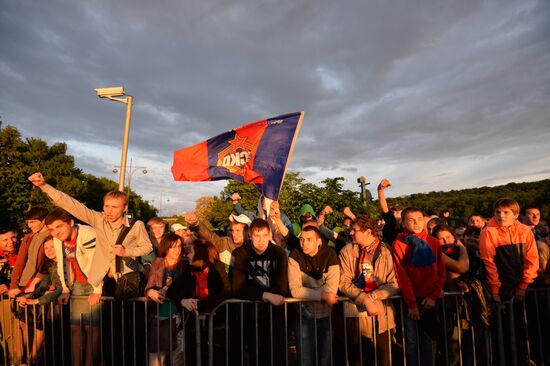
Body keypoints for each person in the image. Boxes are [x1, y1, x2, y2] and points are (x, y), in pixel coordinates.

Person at [479, 198, 539, 366]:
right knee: (502, 333)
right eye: (498, 212)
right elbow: (488, 263)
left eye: (506, 212)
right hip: (501, 289)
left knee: (527, 329)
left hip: (524, 287)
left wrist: (523, 285)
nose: (501, 216)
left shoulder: (525, 230)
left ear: (516, 214)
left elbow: (532, 259)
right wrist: (496, 290)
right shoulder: (488, 231)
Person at [338, 215, 399, 366]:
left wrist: (373, 296)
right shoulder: (347, 251)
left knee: (383, 359)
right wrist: (363, 298)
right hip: (355, 315)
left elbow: (394, 283)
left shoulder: (386, 252)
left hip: (382, 316)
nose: (351, 233)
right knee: (357, 360)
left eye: (355, 230)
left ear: (368, 231)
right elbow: (343, 282)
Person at [44, 208, 101, 366]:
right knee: (76, 327)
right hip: (77, 284)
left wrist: (97, 290)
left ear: (70, 223)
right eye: (51, 229)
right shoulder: (58, 239)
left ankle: (89, 364)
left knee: (91, 327)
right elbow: (62, 263)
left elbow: (97, 262)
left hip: (95, 282)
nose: (55, 232)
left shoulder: (87, 233)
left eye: (59, 227)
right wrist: (65, 289)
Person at [230, 218, 289, 365]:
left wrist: (260, 294)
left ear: (269, 235)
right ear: (250, 235)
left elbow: (282, 287)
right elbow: (237, 287)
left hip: (275, 314)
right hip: (251, 315)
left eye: (264, 235)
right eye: (257, 236)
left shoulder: (279, 253)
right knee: (257, 356)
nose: (261, 240)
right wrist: (265, 295)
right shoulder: (240, 254)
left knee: (278, 356)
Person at [392, 206, 446, 366]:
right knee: (411, 342)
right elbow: (402, 275)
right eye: (411, 220)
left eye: (420, 219)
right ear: (403, 223)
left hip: (430, 300)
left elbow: (441, 272)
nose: (416, 223)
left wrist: (433, 296)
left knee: (427, 341)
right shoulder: (399, 243)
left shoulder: (433, 242)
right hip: (411, 301)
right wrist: (412, 304)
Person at [167, 238, 231, 365]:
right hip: (193, 324)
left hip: (216, 323)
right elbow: (172, 291)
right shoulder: (188, 270)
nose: (187, 255)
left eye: (190, 252)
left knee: (215, 357)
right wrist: (182, 300)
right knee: (193, 357)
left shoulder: (217, 267)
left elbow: (226, 293)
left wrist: (200, 305)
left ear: (199, 254)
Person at [288, 225, 339, 366]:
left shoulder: (330, 254)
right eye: (302, 239)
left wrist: (311, 293)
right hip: (303, 315)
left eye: (309, 239)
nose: (304, 243)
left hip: (325, 315)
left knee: (325, 360)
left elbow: (332, 288)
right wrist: (322, 295)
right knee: (306, 361)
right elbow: (295, 289)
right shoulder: (295, 255)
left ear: (319, 241)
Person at [15, 236, 62, 365]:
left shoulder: (65, 263)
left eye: (52, 247)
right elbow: (43, 286)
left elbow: (62, 288)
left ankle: (32, 359)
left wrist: (39, 300)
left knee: (46, 329)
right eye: (46, 248)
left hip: (64, 304)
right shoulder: (49, 264)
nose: (49, 250)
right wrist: (30, 296)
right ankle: (23, 359)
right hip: (50, 302)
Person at [145, 233, 186, 366]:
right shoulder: (157, 262)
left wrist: (170, 292)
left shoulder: (185, 264)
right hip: (158, 316)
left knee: (177, 358)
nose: (177, 250)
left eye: (179, 246)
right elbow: (148, 286)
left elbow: (186, 290)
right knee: (156, 357)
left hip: (178, 317)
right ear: (166, 248)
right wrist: (150, 292)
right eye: (173, 247)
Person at [184, 212, 250, 267]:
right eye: (232, 230)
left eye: (238, 230)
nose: (233, 234)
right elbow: (209, 236)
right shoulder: (224, 243)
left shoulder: (255, 247)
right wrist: (196, 224)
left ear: (248, 231)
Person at [0, 229, 18, 364]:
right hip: (3, 300)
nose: (10, 242)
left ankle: (14, 361)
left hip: (12, 300)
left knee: (12, 334)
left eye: (12, 238)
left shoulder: (22, 253)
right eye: (5, 240)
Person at [376, 179, 403, 246]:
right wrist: (380, 190)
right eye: (393, 211)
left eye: (397, 211)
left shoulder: (408, 226)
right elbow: (384, 207)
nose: (394, 213)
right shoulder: (391, 221)